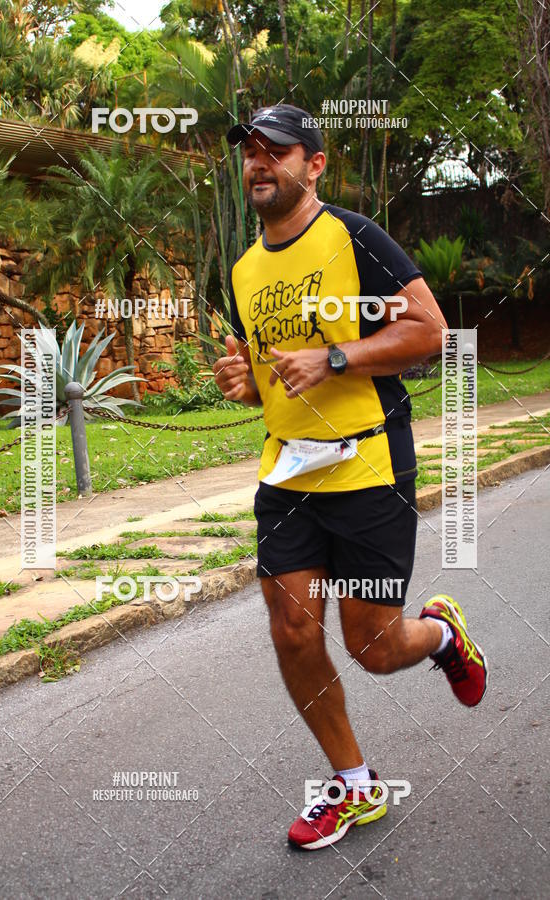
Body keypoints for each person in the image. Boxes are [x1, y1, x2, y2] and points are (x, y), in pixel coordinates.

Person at [213, 104, 488, 851]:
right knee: (293, 629)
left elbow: (429, 332)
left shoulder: (355, 238)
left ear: (315, 164)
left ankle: (438, 636)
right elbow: (265, 371)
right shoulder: (240, 268)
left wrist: (337, 358)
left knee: (371, 647)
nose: (259, 162)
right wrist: (245, 383)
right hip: (288, 472)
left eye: (277, 150)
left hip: (369, 465)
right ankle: (355, 786)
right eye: (250, 152)